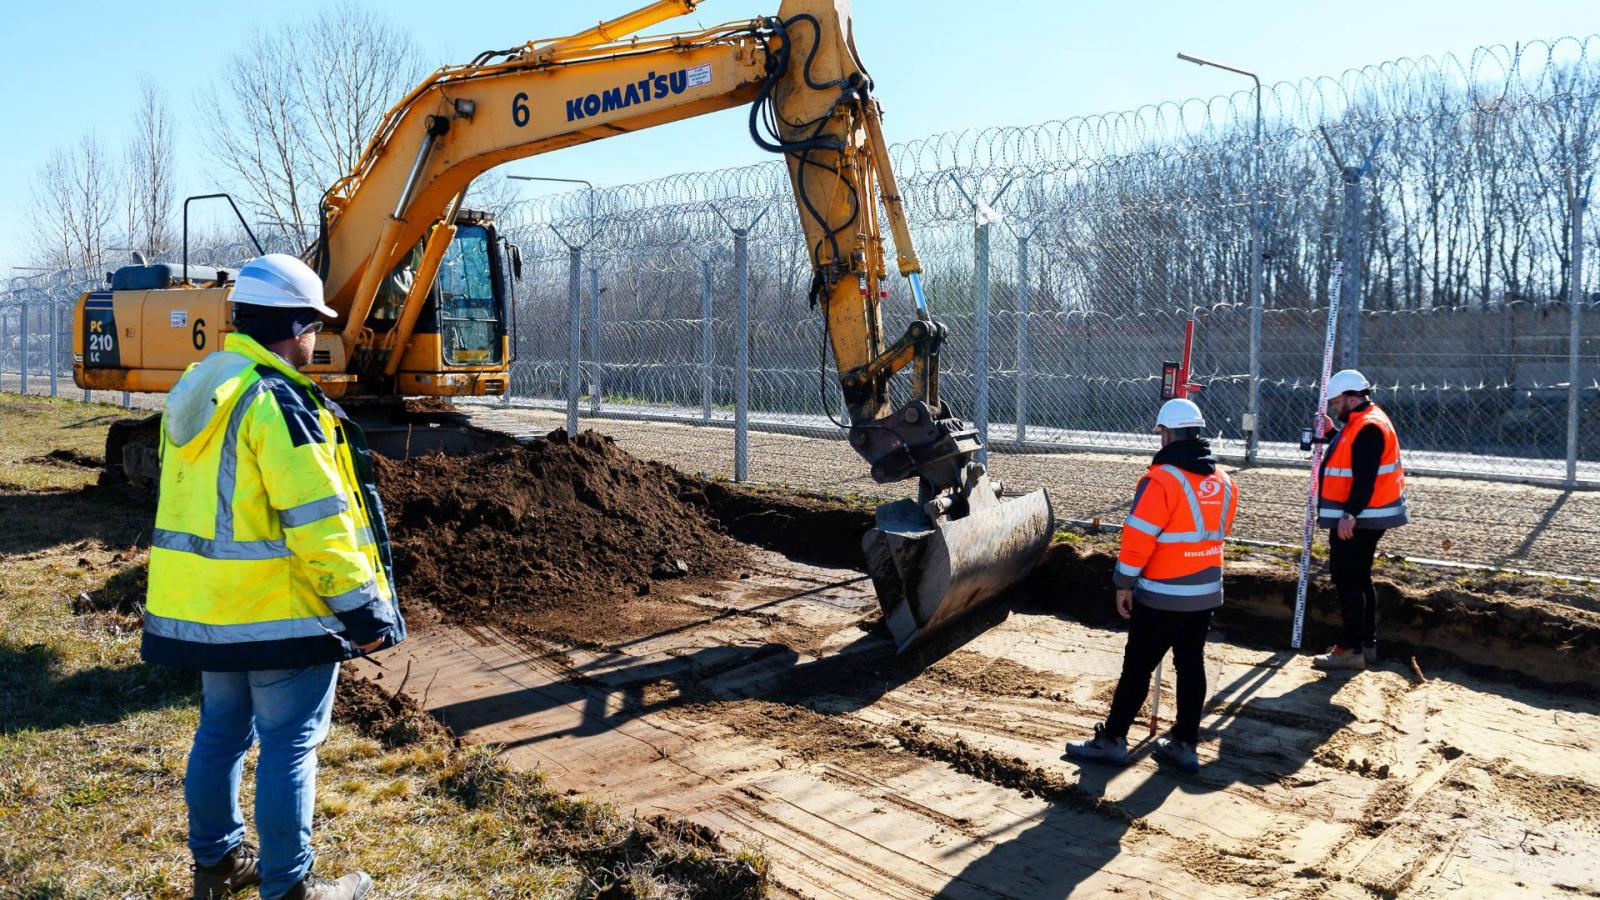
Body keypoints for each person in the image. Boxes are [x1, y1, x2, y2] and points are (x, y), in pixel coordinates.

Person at [142, 253, 405, 900]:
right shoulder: (277, 400)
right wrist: (363, 611)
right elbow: (319, 520)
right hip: (278, 614)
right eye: (313, 325)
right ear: (294, 326)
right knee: (289, 746)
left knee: (220, 734)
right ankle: (289, 888)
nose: (315, 339)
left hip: (207, 609)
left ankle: (217, 863)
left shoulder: (201, 385)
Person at [1066, 397, 1238, 774]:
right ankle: (1185, 745)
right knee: (1191, 666)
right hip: (1205, 593)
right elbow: (1219, 531)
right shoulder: (1224, 481)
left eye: (1160, 432)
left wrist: (1124, 583)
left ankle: (1111, 741)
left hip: (1162, 594)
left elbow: (1138, 538)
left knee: (1138, 668)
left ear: (1167, 434)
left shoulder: (1160, 480)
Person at [1311, 369, 1409, 672]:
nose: (1334, 408)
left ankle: (1350, 649)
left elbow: (1364, 477)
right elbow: (1350, 451)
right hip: (1366, 517)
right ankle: (1367, 644)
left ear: (1352, 398)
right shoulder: (1363, 421)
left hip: (1361, 518)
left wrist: (1349, 514)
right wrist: (1329, 434)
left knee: (1347, 580)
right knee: (1360, 579)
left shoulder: (1368, 427)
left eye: (1337, 402)